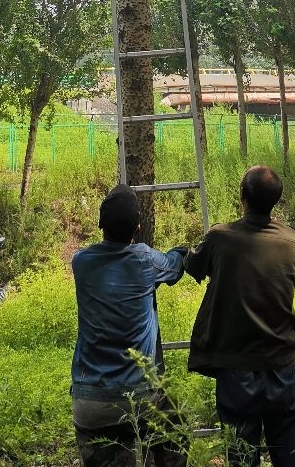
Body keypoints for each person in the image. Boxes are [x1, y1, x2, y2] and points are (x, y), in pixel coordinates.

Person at [183, 166, 295, 467]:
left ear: (242, 196)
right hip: (285, 367)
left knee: (240, 455)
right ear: (276, 201)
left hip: (237, 371)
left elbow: (193, 266)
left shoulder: (220, 237)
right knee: (291, 455)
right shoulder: (292, 241)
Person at [71, 183, 188, 467]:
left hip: (89, 401)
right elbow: (174, 266)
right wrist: (182, 251)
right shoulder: (145, 259)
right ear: (138, 227)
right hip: (139, 396)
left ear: (101, 225)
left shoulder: (81, 262)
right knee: (175, 432)